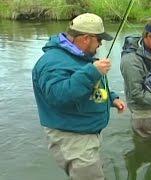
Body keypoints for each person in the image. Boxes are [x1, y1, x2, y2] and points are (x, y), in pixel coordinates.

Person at [32, 13, 126, 180]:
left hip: (85, 133)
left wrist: (112, 98)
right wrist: (92, 72)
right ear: (85, 39)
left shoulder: (81, 58)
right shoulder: (52, 62)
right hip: (72, 139)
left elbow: (88, 88)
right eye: (99, 40)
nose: (101, 44)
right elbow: (59, 96)